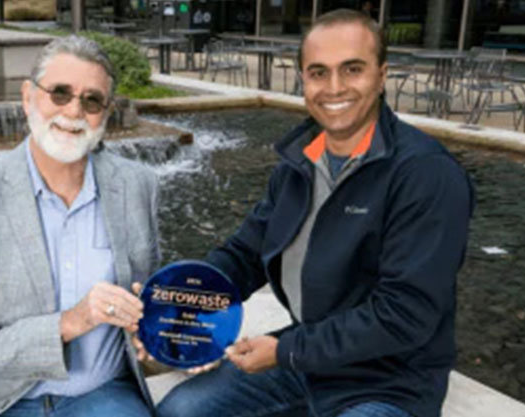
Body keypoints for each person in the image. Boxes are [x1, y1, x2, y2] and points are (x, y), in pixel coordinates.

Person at [155, 9, 474, 417]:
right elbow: (246, 254)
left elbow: (404, 315)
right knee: (180, 412)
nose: (334, 87)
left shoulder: (427, 175)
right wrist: (177, 299)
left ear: (381, 75)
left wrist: (285, 351)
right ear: (303, 79)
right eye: (319, 72)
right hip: (306, 358)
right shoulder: (298, 162)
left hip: (387, 380)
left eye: (352, 69)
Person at [0, 35, 160, 417]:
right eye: (60, 94)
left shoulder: (138, 186)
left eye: (92, 100)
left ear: (107, 111)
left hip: (103, 396)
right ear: (27, 97)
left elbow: (149, 304)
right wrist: (70, 323)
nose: (73, 112)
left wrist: (165, 340)